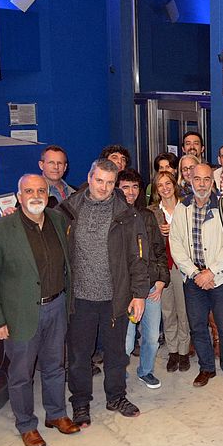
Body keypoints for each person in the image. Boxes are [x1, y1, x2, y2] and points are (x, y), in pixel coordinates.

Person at [0, 174, 80, 446]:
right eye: (28, 191)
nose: (35, 195)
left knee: (55, 367)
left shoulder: (58, 221)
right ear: (18, 196)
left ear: (47, 194)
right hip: (20, 314)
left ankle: (56, 414)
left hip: (57, 306)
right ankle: (26, 425)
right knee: (22, 373)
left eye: (40, 190)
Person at [58, 159, 149, 426]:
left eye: (110, 183)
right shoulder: (69, 210)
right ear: (89, 177)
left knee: (116, 353)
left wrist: (139, 293)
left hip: (115, 297)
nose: (104, 187)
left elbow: (138, 257)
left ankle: (116, 396)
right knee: (79, 356)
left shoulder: (127, 214)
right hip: (80, 298)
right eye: (99, 181)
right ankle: (81, 402)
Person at [170, 163, 223, 387]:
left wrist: (211, 272)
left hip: (219, 278)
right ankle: (206, 368)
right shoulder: (181, 210)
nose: (202, 184)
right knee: (198, 326)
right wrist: (195, 274)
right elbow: (176, 245)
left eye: (206, 180)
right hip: (193, 280)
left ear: (212, 182)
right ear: (189, 182)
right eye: (197, 179)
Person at [117, 169, 169, 390]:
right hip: (126, 292)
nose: (131, 192)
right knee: (127, 342)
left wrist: (160, 280)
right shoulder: (113, 218)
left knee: (150, 337)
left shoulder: (147, 216)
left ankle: (145, 371)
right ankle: (119, 376)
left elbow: (159, 251)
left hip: (150, 288)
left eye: (135, 187)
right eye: (126, 187)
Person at [149, 171, 190, 372]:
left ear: (174, 185)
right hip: (163, 267)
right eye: (160, 185)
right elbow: (148, 241)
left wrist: (176, 229)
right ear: (156, 190)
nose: (165, 188)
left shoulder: (187, 207)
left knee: (183, 311)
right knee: (168, 311)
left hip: (183, 266)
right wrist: (158, 231)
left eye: (168, 183)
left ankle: (184, 351)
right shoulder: (152, 212)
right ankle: (173, 351)